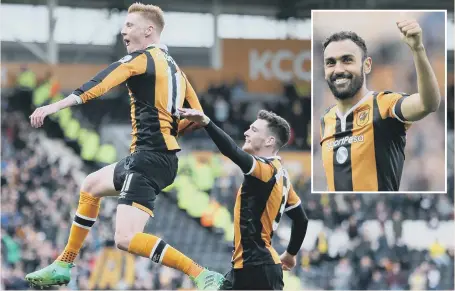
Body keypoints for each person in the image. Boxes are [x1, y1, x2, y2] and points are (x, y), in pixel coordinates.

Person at [25, 3, 223, 289]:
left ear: (149, 30)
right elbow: (196, 114)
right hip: (151, 157)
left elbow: (101, 83)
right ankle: (64, 263)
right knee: (91, 185)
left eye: (130, 25)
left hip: (150, 159)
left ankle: (201, 273)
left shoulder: (143, 58)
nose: (123, 31)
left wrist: (53, 106)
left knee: (125, 239)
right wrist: (167, 129)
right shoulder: (176, 70)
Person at [179, 108, 309, 290]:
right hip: (249, 268)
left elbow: (231, 151)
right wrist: (290, 254)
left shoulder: (265, 170)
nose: (246, 132)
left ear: (270, 140)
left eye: (254, 130)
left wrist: (206, 122)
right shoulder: (283, 176)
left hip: (257, 269)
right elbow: (301, 219)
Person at [319, 19, 441, 192]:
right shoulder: (326, 119)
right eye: (330, 62)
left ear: (367, 65)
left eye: (347, 60)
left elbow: (427, 104)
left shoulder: (384, 105)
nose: (338, 69)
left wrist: (418, 49)